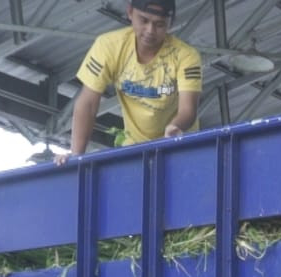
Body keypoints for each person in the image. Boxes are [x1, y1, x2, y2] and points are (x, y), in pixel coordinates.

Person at [58, 0, 201, 164]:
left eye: (159, 24)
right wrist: (76, 156)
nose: (150, 30)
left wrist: (175, 128)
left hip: (181, 147)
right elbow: (88, 104)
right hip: (135, 150)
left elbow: (188, 110)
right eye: (144, 20)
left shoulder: (186, 56)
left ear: (171, 22)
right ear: (130, 12)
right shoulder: (108, 46)